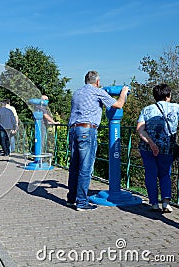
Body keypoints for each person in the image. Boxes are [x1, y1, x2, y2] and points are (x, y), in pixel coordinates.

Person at [67, 70, 129, 211]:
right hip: (87, 130)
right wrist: (124, 92)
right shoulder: (98, 91)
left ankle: (71, 198)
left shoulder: (77, 92)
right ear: (97, 82)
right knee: (85, 167)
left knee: (74, 166)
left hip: (73, 130)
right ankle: (82, 202)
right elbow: (118, 105)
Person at [137, 84, 176, 213]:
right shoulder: (176, 108)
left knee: (151, 174)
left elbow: (140, 130)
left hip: (147, 147)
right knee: (165, 174)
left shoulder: (146, 110)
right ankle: (166, 203)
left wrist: (152, 144)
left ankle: (154, 203)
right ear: (168, 96)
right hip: (167, 148)